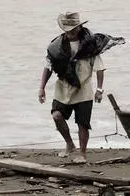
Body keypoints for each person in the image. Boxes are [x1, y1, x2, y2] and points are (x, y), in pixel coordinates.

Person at [39, 12, 119, 163]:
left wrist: (99, 90)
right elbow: (48, 67)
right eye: (68, 29)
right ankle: (70, 144)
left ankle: (82, 153)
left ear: (80, 27)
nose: (71, 32)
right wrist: (41, 88)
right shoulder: (56, 47)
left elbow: (99, 68)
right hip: (63, 87)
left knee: (82, 123)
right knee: (57, 115)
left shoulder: (89, 45)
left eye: (74, 28)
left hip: (84, 89)